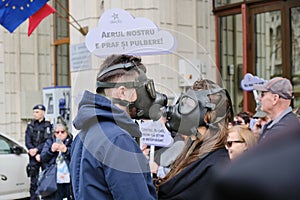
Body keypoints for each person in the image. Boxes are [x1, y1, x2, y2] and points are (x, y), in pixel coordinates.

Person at [69, 54, 166, 199]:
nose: (146, 95)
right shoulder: (118, 139)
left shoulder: (82, 135)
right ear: (122, 92)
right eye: (141, 88)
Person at [156, 79, 233, 199]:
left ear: (208, 116)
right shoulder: (189, 154)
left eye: (187, 106)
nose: (178, 110)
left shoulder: (218, 167)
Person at [253, 77, 300, 144]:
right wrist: (258, 136)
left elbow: (266, 154)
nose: (259, 98)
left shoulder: (282, 130)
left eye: (263, 94)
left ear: (275, 99)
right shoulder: (286, 123)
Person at [40, 117, 73, 200]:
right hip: (53, 178)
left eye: (62, 132)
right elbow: (43, 158)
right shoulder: (50, 142)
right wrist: (51, 151)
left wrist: (66, 150)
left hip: (68, 178)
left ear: (67, 132)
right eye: (57, 132)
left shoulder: (71, 142)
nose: (60, 134)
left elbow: (76, 157)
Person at [25, 104, 52, 200]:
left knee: (47, 179)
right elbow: (27, 141)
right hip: (33, 157)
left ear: (43, 113)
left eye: (37, 112)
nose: (34, 114)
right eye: (34, 112)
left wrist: (38, 151)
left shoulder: (48, 126)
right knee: (33, 182)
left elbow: (48, 141)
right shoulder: (30, 125)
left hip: (44, 156)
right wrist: (34, 152)